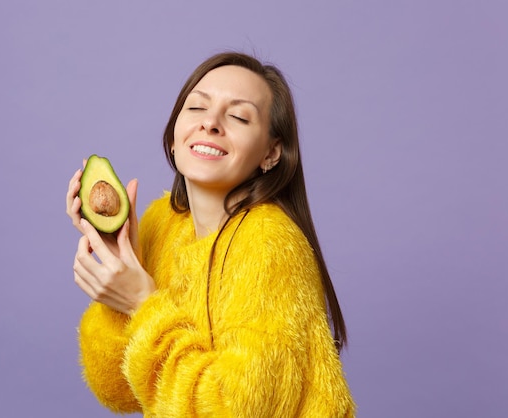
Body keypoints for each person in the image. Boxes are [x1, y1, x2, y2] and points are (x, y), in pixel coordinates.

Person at [66, 52, 355, 417]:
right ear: (174, 136)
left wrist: (142, 304)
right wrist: (122, 270)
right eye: (197, 109)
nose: (211, 124)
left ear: (271, 153)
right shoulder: (163, 223)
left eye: (238, 116)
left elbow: (229, 409)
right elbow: (116, 389)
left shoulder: (270, 243)